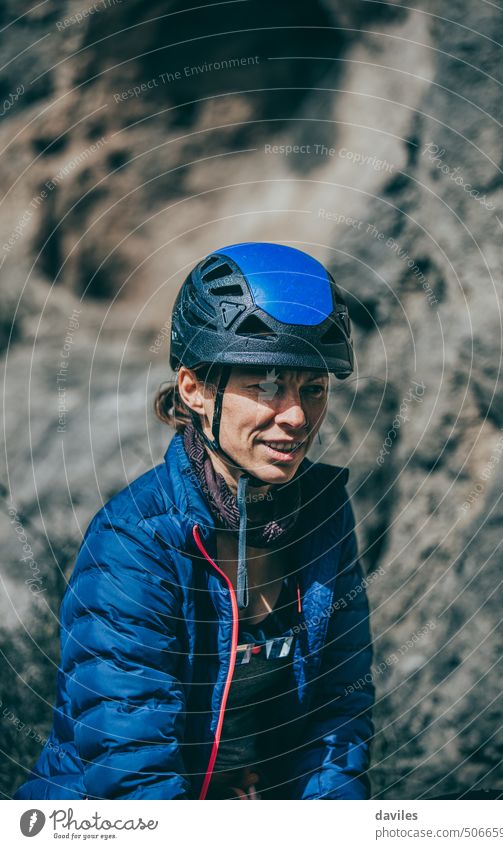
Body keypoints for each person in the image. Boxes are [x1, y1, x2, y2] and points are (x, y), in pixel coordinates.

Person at [14, 241, 374, 801]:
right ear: (195, 389)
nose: (297, 416)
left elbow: (338, 710)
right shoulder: (134, 541)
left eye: (314, 388)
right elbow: (132, 768)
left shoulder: (324, 515)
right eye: (267, 385)